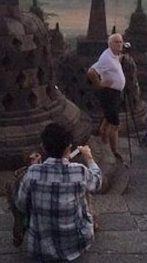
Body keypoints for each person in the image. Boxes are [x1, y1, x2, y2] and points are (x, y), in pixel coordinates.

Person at [15, 123, 102, 261]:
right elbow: (97, 183)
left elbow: (21, 204)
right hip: (75, 244)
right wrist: (89, 157)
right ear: (69, 147)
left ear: (43, 147)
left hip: (40, 246)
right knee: (85, 191)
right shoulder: (79, 171)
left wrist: (33, 167)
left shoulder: (33, 172)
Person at [86, 33, 127, 160]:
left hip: (115, 93)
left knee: (107, 120)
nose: (119, 44)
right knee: (114, 124)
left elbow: (115, 62)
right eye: (116, 42)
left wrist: (121, 58)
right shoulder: (106, 58)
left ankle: (104, 145)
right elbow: (91, 72)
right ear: (110, 44)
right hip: (109, 93)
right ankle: (114, 152)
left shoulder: (113, 56)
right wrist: (99, 84)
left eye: (121, 42)